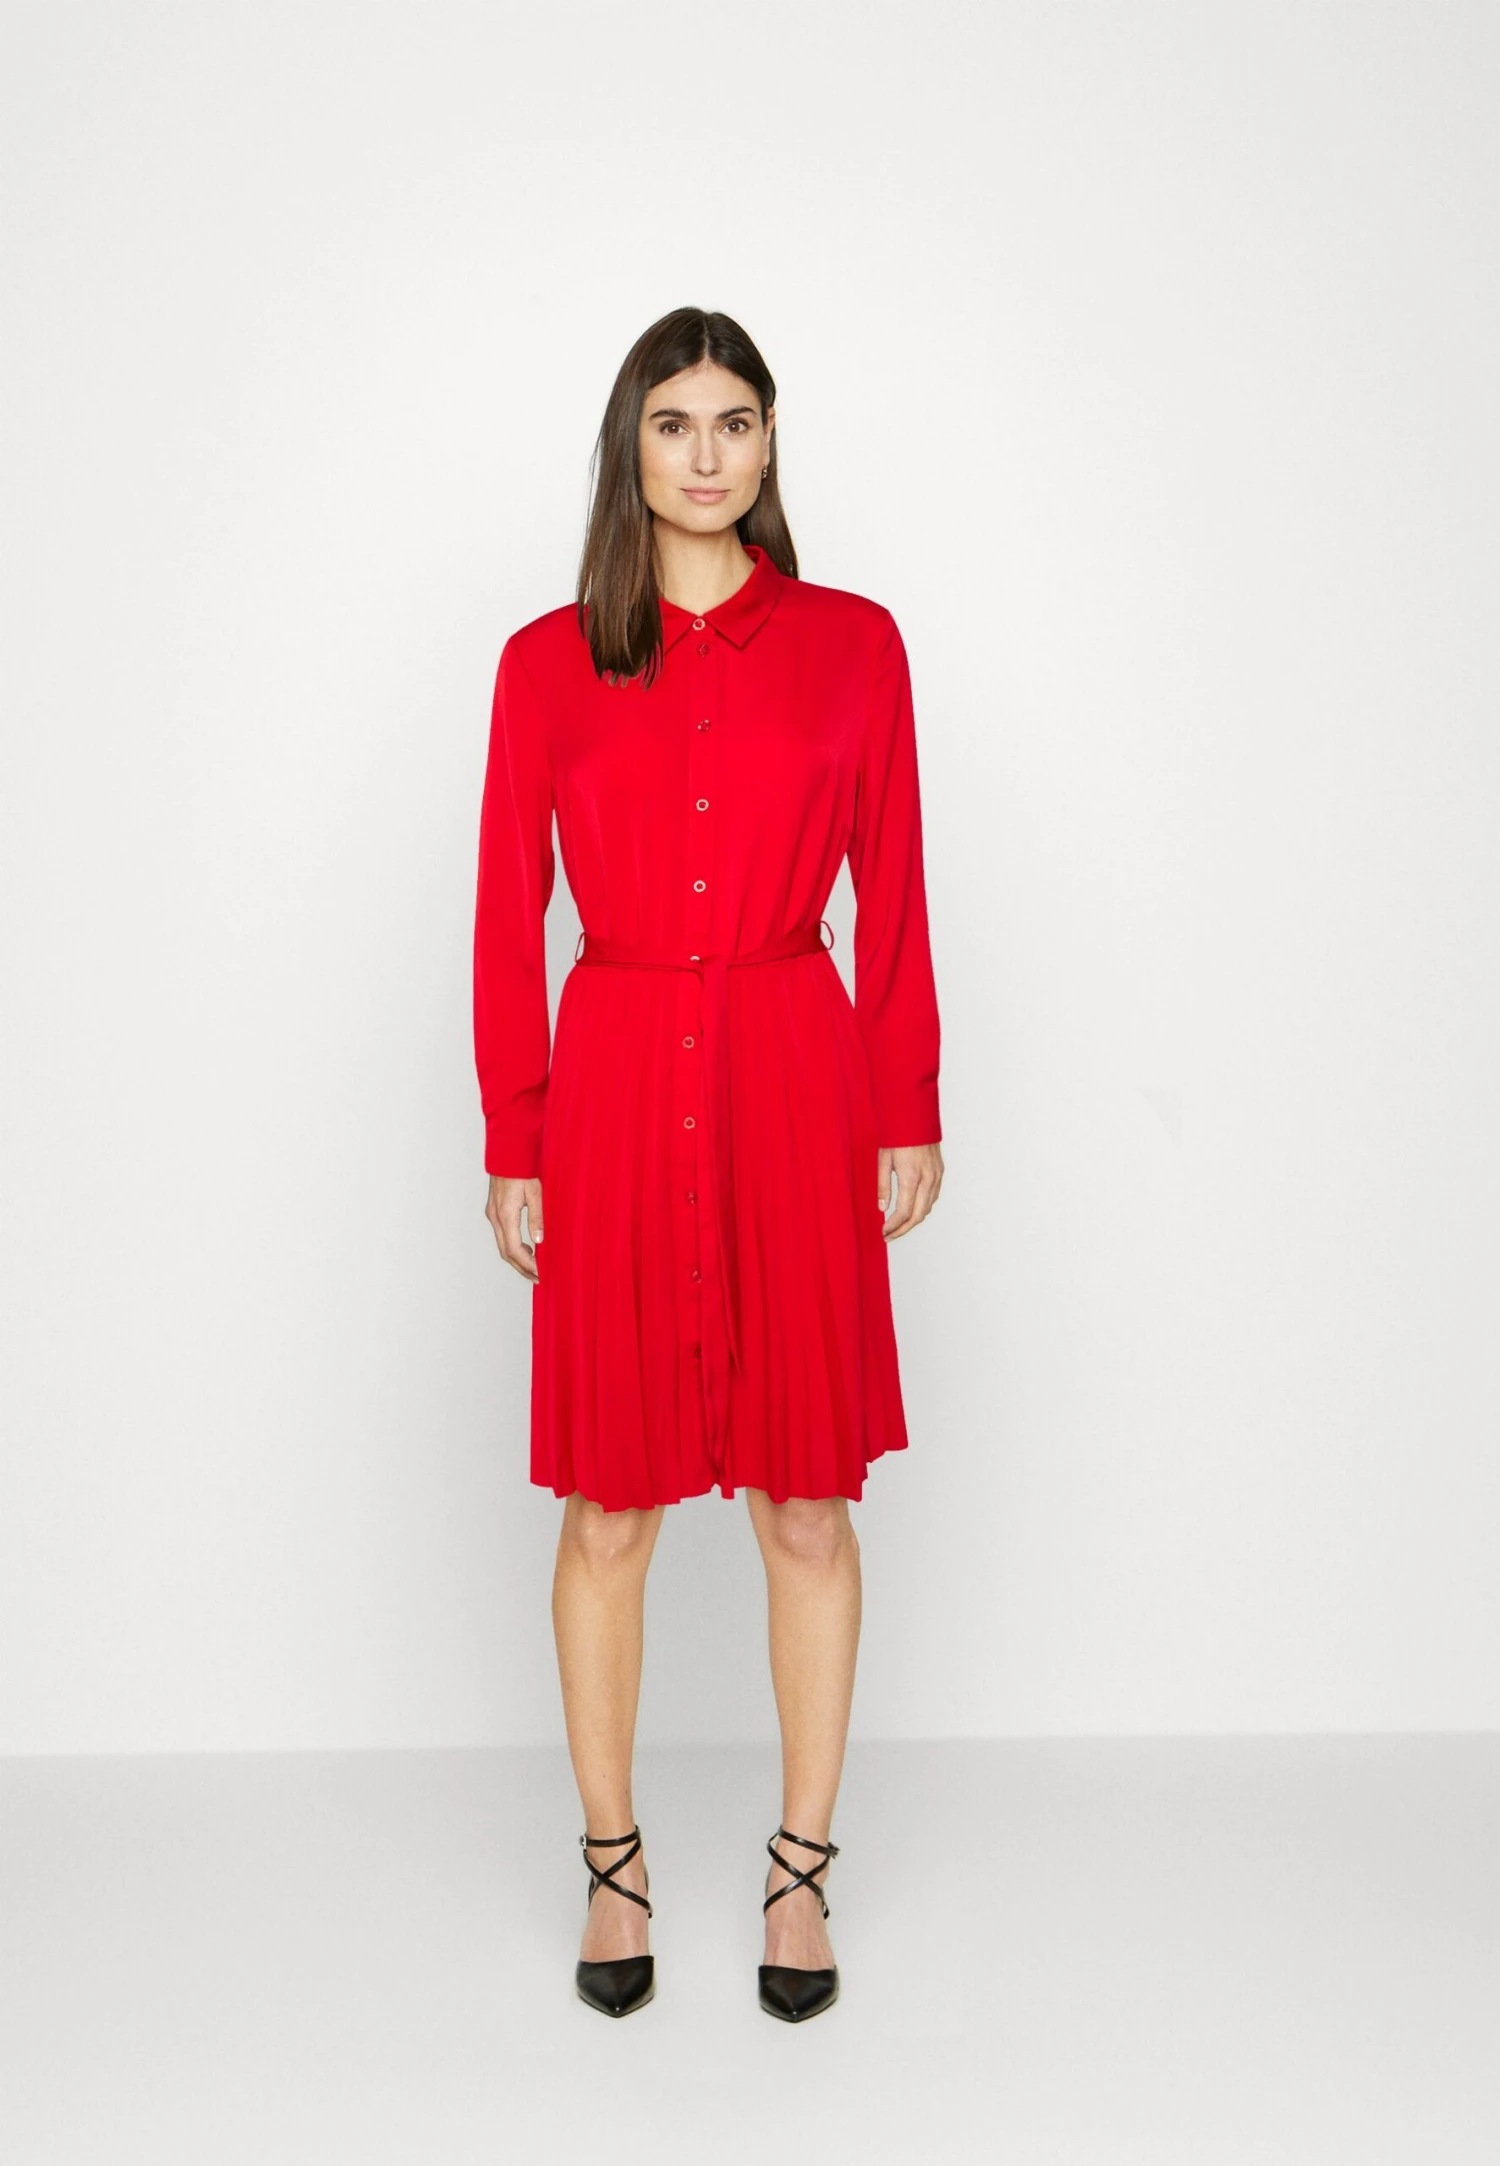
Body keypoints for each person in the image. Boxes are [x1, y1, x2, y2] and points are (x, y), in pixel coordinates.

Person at [472, 307, 944, 2022]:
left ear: (768, 442)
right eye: (672, 423)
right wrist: (514, 1125)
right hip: (610, 1086)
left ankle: (800, 1870)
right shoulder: (545, 663)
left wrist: (906, 1099)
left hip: (794, 1075)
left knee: (804, 1498)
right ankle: (614, 1861)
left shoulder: (856, 646)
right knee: (609, 1502)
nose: (704, 453)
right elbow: (504, 906)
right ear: (632, 446)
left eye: (734, 420)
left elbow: (894, 888)